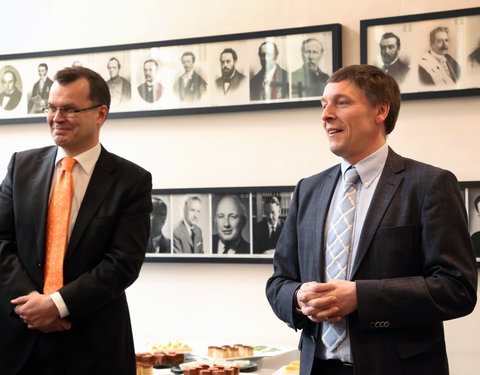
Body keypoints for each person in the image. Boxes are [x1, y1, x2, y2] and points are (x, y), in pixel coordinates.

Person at [266, 64, 477, 375]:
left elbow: (456, 288)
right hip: (317, 367)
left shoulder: (429, 185)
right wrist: (298, 298)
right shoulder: (307, 189)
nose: (325, 115)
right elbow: (278, 282)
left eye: (341, 102)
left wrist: (362, 297)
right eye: (324, 105)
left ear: (381, 110)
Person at [0, 66, 152, 375]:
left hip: (92, 344)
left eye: (69, 109)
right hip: (19, 341)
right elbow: (2, 241)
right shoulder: (21, 166)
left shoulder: (131, 180)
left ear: (100, 114)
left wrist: (57, 304)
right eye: (52, 108)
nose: (56, 118)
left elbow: (123, 261)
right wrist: (33, 303)